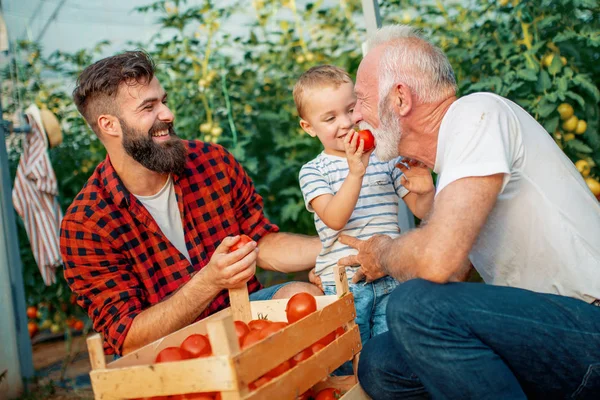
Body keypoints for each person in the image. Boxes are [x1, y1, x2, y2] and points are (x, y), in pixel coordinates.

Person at [335, 25, 600, 399]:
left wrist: (380, 252)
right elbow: (456, 272)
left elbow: (439, 262)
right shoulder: (454, 158)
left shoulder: (477, 113)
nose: (355, 116)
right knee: (383, 362)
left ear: (399, 99)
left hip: (589, 327)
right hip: (548, 330)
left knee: (414, 308)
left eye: (361, 100)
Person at [60, 51, 322, 356]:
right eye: (149, 107)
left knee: (304, 297)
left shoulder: (210, 162)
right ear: (109, 125)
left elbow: (259, 241)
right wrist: (209, 282)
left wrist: (332, 247)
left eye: (163, 100)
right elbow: (127, 335)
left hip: (243, 320)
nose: (168, 113)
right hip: (171, 351)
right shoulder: (87, 223)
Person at [294, 65, 434, 346]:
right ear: (309, 127)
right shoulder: (313, 171)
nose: (345, 123)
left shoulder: (384, 157)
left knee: (393, 350)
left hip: (390, 272)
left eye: (350, 109)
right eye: (330, 118)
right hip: (343, 283)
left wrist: (427, 190)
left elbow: (422, 211)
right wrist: (356, 172)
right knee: (349, 353)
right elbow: (334, 218)